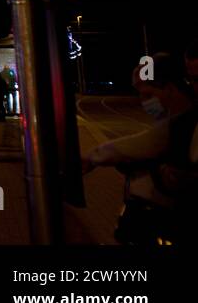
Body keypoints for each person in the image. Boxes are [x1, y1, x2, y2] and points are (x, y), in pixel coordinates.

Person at [82, 53, 198, 244]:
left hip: (164, 225)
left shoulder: (182, 125)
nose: (143, 101)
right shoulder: (172, 123)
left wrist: (92, 157)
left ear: (170, 88)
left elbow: (138, 145)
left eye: (148, 94)